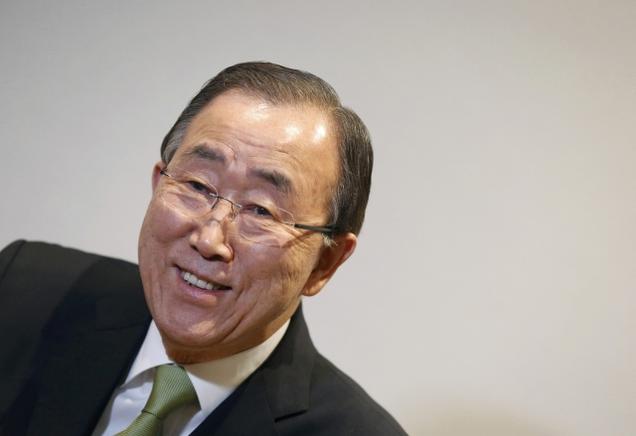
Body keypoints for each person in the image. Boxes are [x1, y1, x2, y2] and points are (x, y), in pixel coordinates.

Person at [0, 62, 406, 435]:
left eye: (261, 211)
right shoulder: (21, 292)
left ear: (326, 263)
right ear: (160, 184)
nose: (210, 239)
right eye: (196, 186)